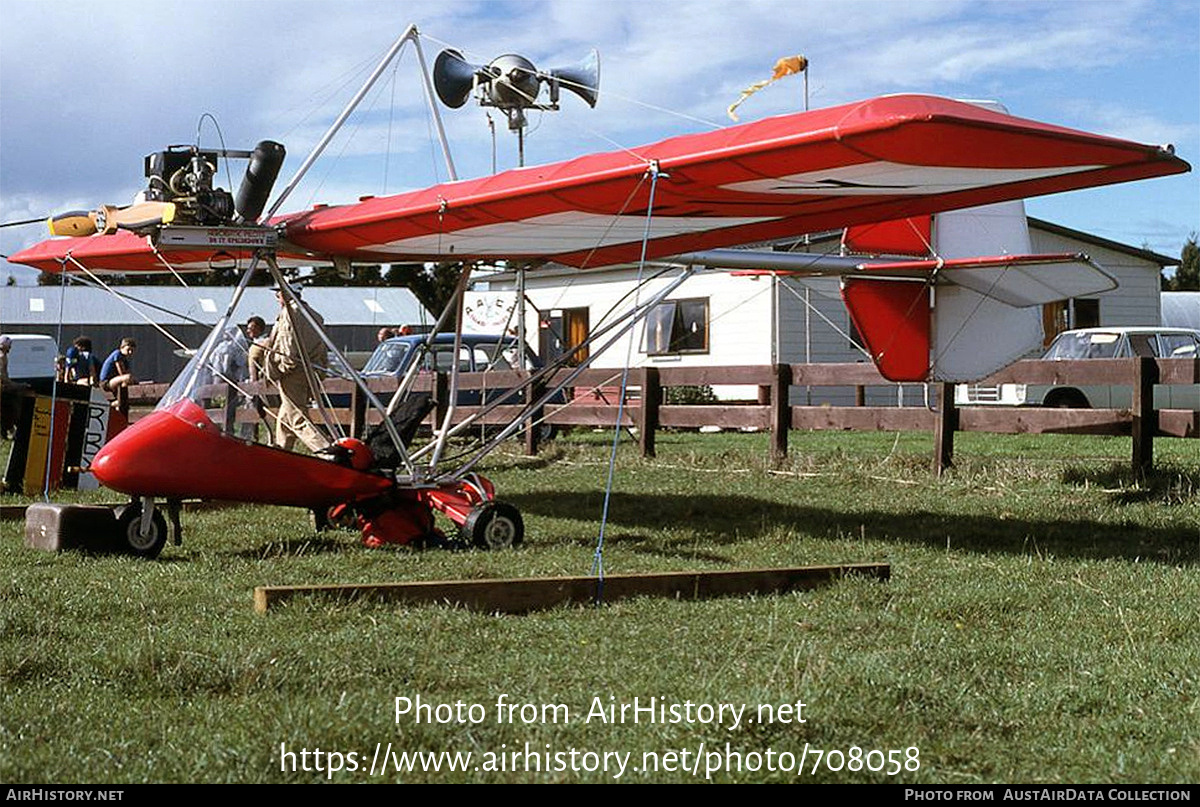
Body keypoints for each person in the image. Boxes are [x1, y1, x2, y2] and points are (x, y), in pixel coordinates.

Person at [263, 285, 332, 453]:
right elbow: (322, 348)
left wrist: (279, 370)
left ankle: (327, 452)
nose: (277, 297)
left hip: (293, 373)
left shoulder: (290, 313)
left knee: (296, 418)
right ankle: (280, 456)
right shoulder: (314, 315)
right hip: (311, 371)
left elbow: (288, 348)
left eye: (278, 293)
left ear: (284, 294)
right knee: (285, 418)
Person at [100, 337, 137, 415]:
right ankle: (115, 404)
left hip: (115, 381)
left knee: (129, 380)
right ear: (122, 347)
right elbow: (122, 373)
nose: (130, 352)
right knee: (127, 378)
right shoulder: (117, 355)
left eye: (132, 351)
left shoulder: (125, 359)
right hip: (106, 382)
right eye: (128, 350)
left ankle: (119, 402)